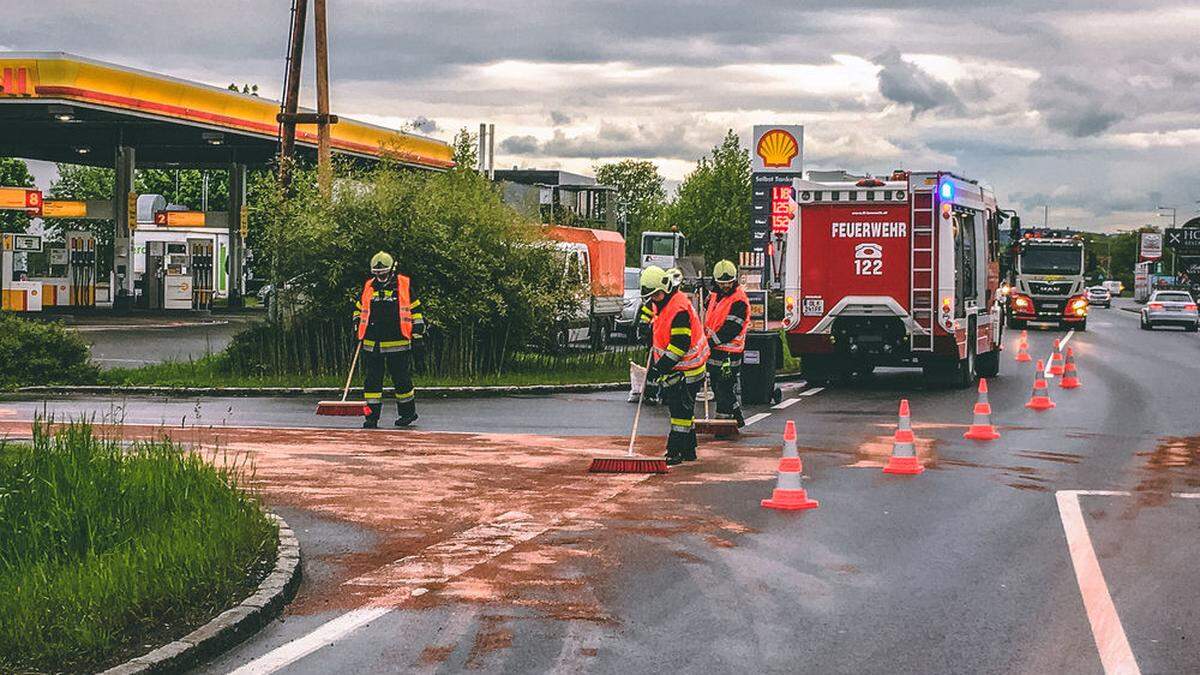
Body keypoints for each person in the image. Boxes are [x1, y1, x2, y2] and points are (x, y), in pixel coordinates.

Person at [641, 265, 709, 465]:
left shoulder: (678, 309)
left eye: (657, 295)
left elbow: (679, 346)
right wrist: (645, 327)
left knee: (680, 412)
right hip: (677, 368)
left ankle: (675, 451)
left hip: (688, 369)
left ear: (665, 288)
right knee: (682, 410)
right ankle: (689, 450)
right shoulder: (661, 301)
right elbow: (649, 311)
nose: (654, 298)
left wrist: (658, 368)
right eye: (652, 295)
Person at [354, 251, 425, 428]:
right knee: (372, 383)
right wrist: (356, 324)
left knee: (401, 380)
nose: (380, 276)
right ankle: (371, 417)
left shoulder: (403, 285)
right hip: (373, 344)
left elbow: (416, 312)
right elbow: (359, 308)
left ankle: (408, 414)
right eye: (377, 273)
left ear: (392, 269)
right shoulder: (369, 287)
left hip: (398, 343)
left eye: (383, 273)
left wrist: (417, 336)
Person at [704, 260, 750, 427]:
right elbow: (709, 314)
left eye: (729, 282)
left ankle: (722, 424)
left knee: (724, 387)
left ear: (734, 280)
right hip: (714, 350)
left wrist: (709, 342)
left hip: (730, 352)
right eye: (722, 283)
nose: (726, 286)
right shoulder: (714, 296)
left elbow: (731, 329)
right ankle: (737, 417)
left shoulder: (739, 300)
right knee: (718, 386)